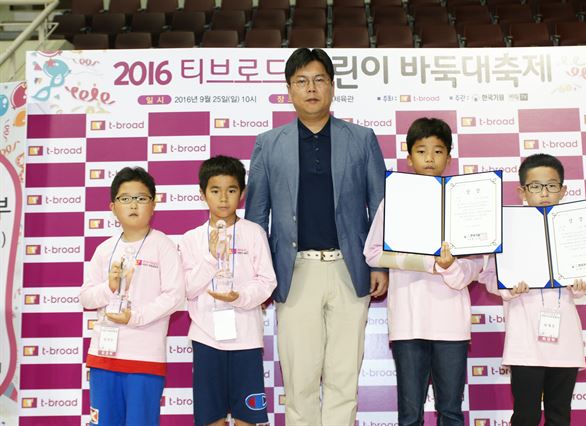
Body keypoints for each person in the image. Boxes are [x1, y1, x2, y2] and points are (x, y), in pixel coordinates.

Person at [244, 47, 388, 425]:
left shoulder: (361, 139)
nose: (311, 88)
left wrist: (380, 264)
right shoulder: (268, 143)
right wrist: (259, 276)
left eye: (319, 79)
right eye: (302, 81)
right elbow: (257, 217)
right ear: (289, 90)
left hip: (350, 270)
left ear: (333, 87)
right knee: (299, 379)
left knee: (344, 379)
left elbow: (382, 208)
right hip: (294, 272)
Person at [363, 117, 485, 426]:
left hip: (452, 323)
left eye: (438, 150)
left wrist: (452, 267)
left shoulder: (466, 203)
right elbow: (373, 252)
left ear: (449, 155)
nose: (430, 158)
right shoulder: (394, 200)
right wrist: (428, 263)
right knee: (409, 416)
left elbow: (478, 264)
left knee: (451, 413)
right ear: (409, 157)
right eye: (421, 151)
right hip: (409, 321)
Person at [479, 153, 586, 426]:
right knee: (526, 415)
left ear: (563, 191)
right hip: (525, 338)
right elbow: (489, 277)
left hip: (564, 338)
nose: (544, 193)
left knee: (559, 415)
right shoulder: (507, 230)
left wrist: (580, 284)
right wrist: (509, 289)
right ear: (522, 191)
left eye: (551, 186)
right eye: (535, 186)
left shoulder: (576, 228)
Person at [79, 167, 185, 426]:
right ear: (113, 207)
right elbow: (86, 298)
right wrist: (110, 287)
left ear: (153, 203)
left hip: (144, 359)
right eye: (125, 199)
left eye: (141, 198)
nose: (133, 205)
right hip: (104, 358)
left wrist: (134, 317)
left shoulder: (164, 245)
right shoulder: (104, 249)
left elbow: (175, 295)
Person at [179, 156, 276, 426]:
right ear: (202, 194)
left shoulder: (254, 233)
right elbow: (186, 289)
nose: (223, 198)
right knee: (212, 418)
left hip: (246, 338)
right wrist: (211, 257)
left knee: (248, 416)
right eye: (215, 191)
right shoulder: (190, 239)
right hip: (207, 338)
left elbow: (267, 282)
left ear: (242, 194)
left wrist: (240, 297)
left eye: (231, 190)